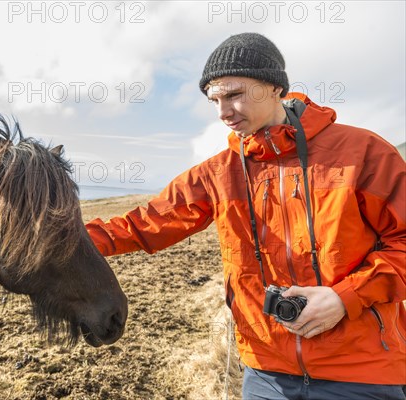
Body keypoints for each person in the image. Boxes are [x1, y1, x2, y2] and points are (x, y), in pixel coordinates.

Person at [85, 33, 406, 399]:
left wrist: (344, 298)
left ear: (274, 87)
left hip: (362, 371)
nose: (223, 112)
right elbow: (140, 226)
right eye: (215, 100)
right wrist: (45, 236)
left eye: (234, 95)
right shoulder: (218, 174)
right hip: (265, 375)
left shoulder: (363, 153)